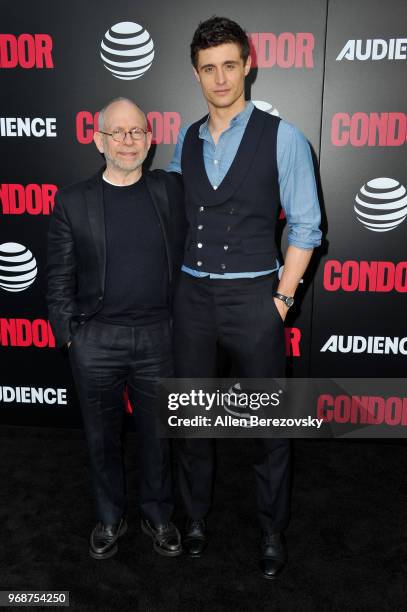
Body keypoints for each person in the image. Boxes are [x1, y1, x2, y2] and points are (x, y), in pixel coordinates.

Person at [168, 17, 322, 579]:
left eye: (229, 64)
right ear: (196, 73)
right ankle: (195, 519)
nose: (220, 77)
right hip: (191, 301)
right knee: (190, 421)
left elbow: (306, 228)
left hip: (256, 298)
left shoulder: (284, 138)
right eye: (209, 68)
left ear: (248, 63)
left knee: (268, 426)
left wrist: (280, 302)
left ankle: (271, 529)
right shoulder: (185, 140)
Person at [47, 97, 186, 560]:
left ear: (150, 140)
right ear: (98, 139)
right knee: (100, 438)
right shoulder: (72, 201)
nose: (128, 142)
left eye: (137, 133)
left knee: (158, 438)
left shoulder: (170, 191)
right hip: (96, 340)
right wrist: (71, 336)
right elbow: (59, 277)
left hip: (159, 338)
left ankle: (158, 515)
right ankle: (109, 517)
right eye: (117, 133)